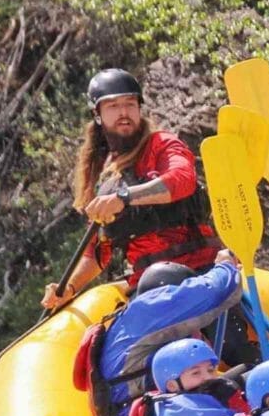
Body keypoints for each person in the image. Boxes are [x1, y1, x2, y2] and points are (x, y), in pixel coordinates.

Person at [41, 68, 219, 310]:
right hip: (148, 286)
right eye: (113, 106)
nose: (123, 112)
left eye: (130, 104)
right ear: (97, 115)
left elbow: (182, 178)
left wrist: (125, 197)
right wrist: (69, 289)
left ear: (139, 108)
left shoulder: (162, 144)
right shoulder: (105, 177)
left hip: (201, 270)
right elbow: (96, 252)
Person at [72, 255, 242, 416]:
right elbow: (213, 291)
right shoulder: (149, 310)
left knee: (242, 374)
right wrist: (225, 265)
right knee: (236, 385)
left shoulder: (127, 323)